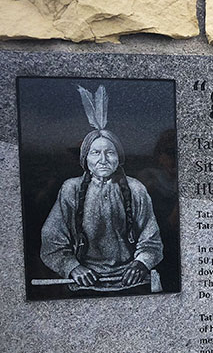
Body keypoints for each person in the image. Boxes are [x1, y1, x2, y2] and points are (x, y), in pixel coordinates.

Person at [40, 85, 163, 293]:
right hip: (86, 282)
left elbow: (151, 239)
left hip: (130, 281)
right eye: (96, 153)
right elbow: (52, 238)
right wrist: (73, 267)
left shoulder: (135, 188)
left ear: (119, 158)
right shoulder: (71, 189)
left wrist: (141, 263)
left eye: (110, 153)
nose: (103, 160)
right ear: (85, 159)